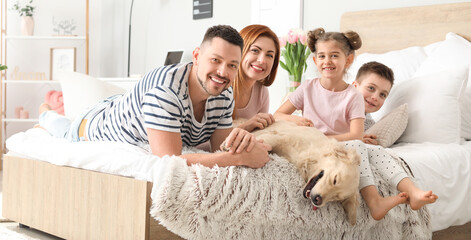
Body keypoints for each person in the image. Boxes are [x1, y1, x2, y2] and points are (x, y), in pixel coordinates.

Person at [38, 25, 271, 169]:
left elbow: (219, 147)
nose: (223, 72)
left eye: (232, 65)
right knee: (62, 128)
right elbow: (169, 160)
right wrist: (238, 159)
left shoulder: (224, 91)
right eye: (215, 60)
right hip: (93, 126)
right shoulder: (166, 90)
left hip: (122, 106)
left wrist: (244, 140)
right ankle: (45, 112)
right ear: (197, 56)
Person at [274, 28, 437, 220]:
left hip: (338, 147)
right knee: (359, 146)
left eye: (334, 55)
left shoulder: (353, 96)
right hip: (314, 146)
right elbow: (277, 114)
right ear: (316, 60)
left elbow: (356, 137)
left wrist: (325, 137)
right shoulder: (307, 87)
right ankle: (374, 201)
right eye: (322, 56)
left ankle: (413, 192)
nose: (327, 61)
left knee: (377, 151)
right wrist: (294, 119)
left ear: (348, 60)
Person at [231, 24, 280, 131]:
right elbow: (204, 143)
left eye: (269, 55)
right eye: (255, 50)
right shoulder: (220, 86)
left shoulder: (262, 93)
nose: (262, 60)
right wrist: (245, 127)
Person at [351, 61, 394, 145]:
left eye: (382, 94)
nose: (375, 97)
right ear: (355, 86)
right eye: (371, 88)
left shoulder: (370, 125)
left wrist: (370, 142)